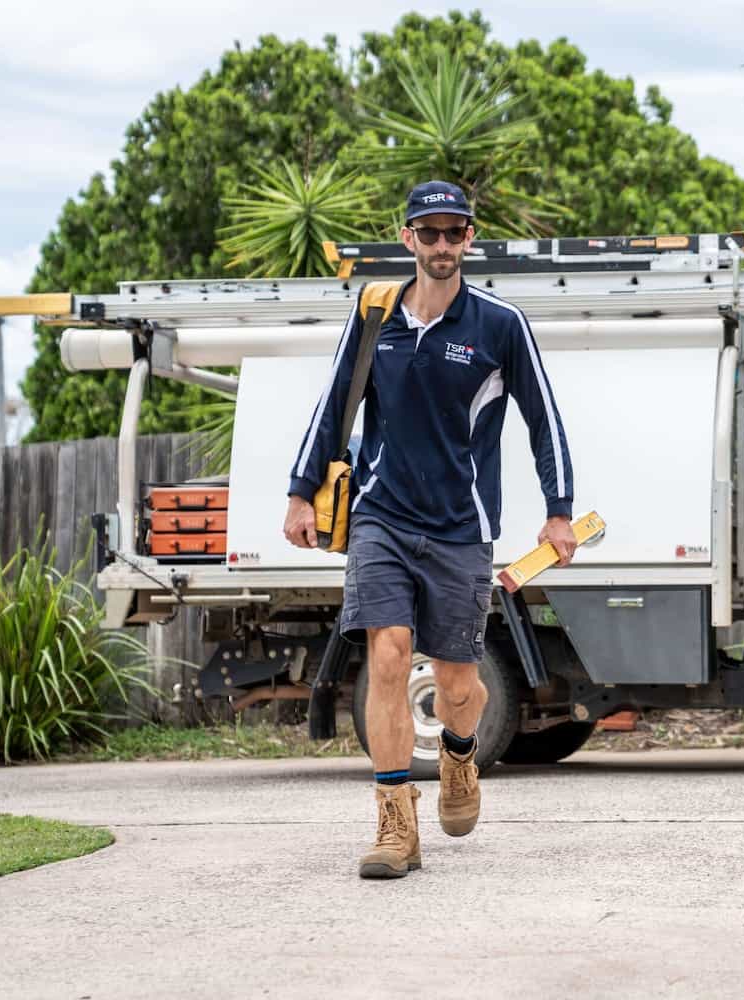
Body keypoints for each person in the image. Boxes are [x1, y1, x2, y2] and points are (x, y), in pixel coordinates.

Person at [283, 180, 576, 879]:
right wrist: (300, 494)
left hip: (460, 527)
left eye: (455, 232)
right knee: (387, 655)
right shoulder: (374, 313)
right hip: (381, 515)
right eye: (429, 232)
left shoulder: (499, 325)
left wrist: (559, 509)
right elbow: (334, 408)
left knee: (458, 681)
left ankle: (459, 757)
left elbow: (545, 420)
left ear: (469, 239)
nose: (442, 245)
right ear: (408, 238)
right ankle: (394, 825)